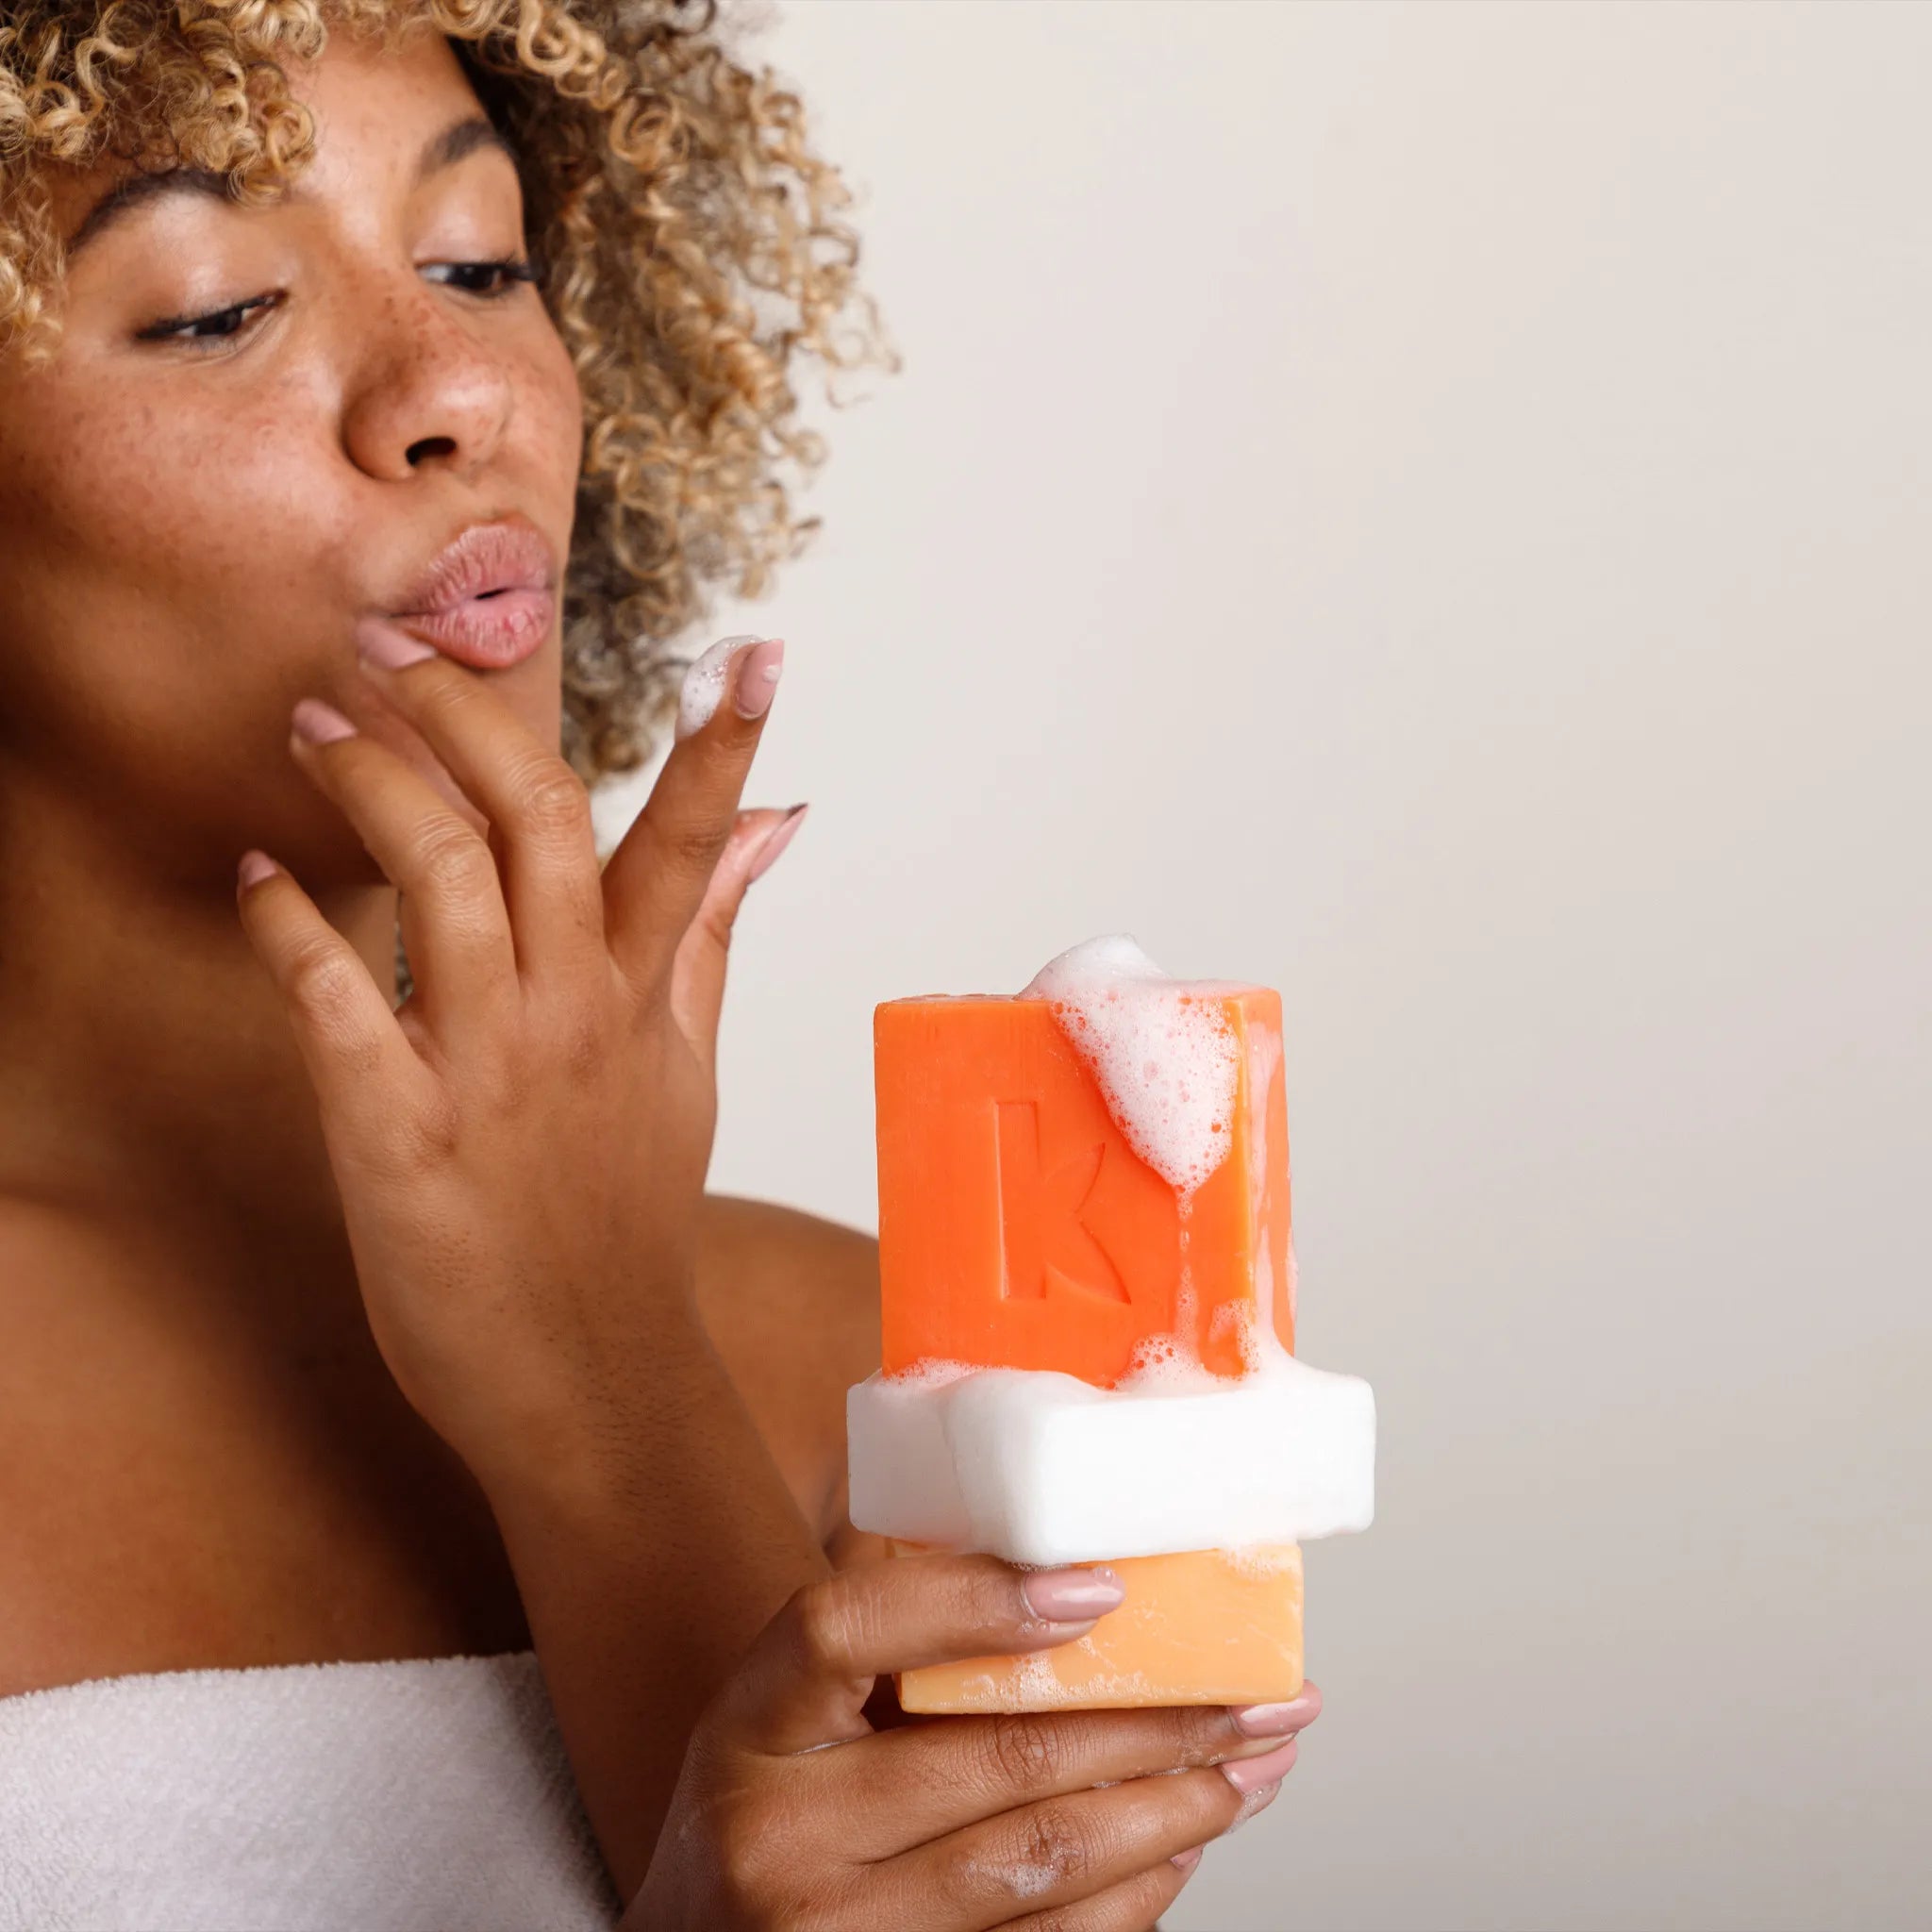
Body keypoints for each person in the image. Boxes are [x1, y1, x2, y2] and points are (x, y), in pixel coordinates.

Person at [0, 3, 1320, 1924]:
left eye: (484, 262)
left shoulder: (903, 1385)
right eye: (214, 309)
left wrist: (600, 1367)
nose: (463, 384)